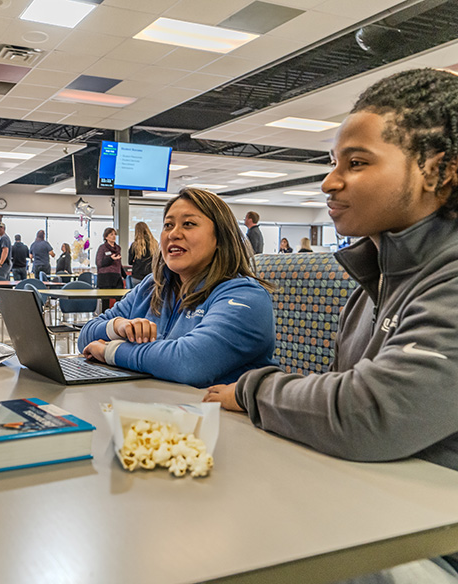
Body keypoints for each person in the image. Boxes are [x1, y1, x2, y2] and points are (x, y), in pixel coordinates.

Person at [203, 67, 458, 583]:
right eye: (333, 162)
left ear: (440, 170)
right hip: (377, 507)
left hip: (435, 542)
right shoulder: (377, 276)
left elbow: (369, 413)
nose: (329, 181)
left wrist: (253, 389)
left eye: (357, 163)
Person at [78, 188, 275, 387]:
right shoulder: (152, 286)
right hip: (155, 409)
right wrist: (117, 326)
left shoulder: (246, 296)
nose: (173, 234)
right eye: (168, 225)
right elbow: (85, 337)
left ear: (221, 238)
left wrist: (111, 351)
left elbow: (190, 363)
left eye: (188, 224)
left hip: (215, 415)